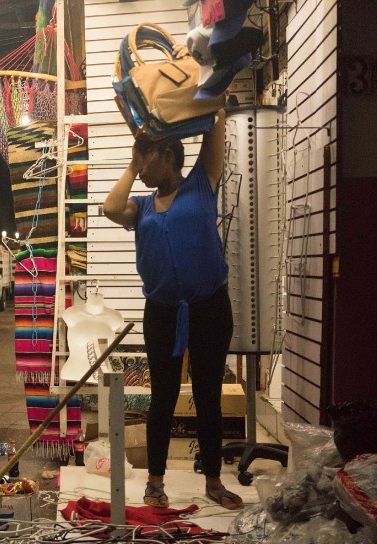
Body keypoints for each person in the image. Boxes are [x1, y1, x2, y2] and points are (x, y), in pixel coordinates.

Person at [102, 44, 243, 512]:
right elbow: (108, 208)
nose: (142, 167)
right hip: (162, 312)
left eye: (147, 158)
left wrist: (199, 67)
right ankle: (156, 483)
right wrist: (132, 158)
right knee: (161, 396)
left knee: (207, 396)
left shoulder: (203, 181)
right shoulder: (139, 207)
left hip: (209, 308)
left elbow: (216, 117)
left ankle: (213, 482)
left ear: (168, 154)